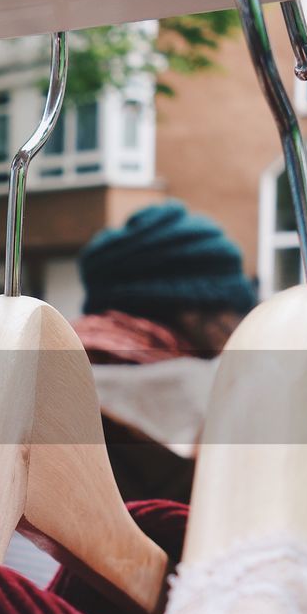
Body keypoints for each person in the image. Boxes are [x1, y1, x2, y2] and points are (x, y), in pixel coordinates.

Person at [72, 201, 257, 502]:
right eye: (233, 310)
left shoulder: (48, 362)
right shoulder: (207, 397)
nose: (237, 328)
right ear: (193, 314)